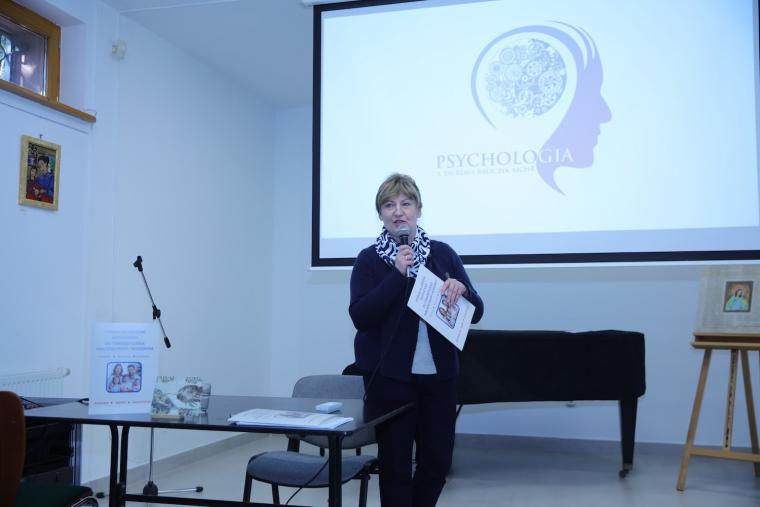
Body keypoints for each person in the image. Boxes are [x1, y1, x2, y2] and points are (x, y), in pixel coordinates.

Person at [349, 173, 484, 507]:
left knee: (437, 462)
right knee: (395, 467)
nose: (398, 211)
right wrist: (397, 274)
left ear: (418, 210)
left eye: (406, 203)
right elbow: (361, 316)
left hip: (439, 379)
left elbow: (477, 311)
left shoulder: (443, 254)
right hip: (390, 381)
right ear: (380, 214)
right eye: (389, 205)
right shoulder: (369, 259)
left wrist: (462, 291)